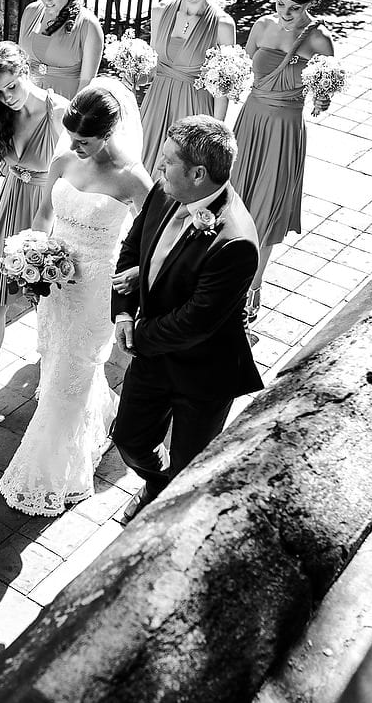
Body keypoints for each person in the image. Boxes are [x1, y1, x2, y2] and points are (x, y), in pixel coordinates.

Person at [0, 78, 152, 516]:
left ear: (108, 133)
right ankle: (96, 416)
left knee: (72, 369)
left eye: (85, 140)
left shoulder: (132, 180)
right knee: (54, 358)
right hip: (56, 283)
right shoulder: (64, 159)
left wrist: (135, 276)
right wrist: (32, 255)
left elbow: (153, 237)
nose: (76, 145)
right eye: (73, 136)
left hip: (95, 291)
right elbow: (44, 214)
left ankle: (49, 474)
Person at [110, 115, 264, 524]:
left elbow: (196, 321)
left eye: (166, 162)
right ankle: (156, 485)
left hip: (203, 371)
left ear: (198, 173)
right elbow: (132, 249)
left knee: (190, 465)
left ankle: (167, 521)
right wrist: (123, 312)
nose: (157, 169)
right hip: (155, 354)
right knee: (128, 440)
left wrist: (137, 336)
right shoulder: (165, 191)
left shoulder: (236, 242)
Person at [0, 42, 70, 425]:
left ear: (26, 69)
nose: (7, 97)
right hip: (10, 201)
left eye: (12, 86)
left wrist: (45, 226)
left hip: (46, 207)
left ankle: (55, 385)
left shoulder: (59, 112)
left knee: (49, 306)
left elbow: (71, 174)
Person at [231, 0, 335, 322]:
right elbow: (241, 70)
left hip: (285, 130)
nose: (286, 14)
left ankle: (252, 289)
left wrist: (322, 100)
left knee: (268, 210)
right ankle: (221, 279)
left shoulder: (319, 39)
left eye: (295, 8)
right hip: (250, 122)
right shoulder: (261, 26)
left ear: (309, 4)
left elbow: (324, 93)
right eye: (280, 4)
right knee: (235, 202)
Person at [138, 0, 237, 173]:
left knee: (181, 178)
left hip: (193, 109)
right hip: (156, 105)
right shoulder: (160, 11)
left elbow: (223, 87)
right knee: (143, 175)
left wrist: (216, 132)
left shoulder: (222, 25)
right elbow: (151, 69)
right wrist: (132, 71)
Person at [17, 0, 103, 101]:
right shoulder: (30, 12)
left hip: (64, 105)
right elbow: (20, 64)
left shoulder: (89, 25)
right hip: (28, 103)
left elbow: (86, 83)